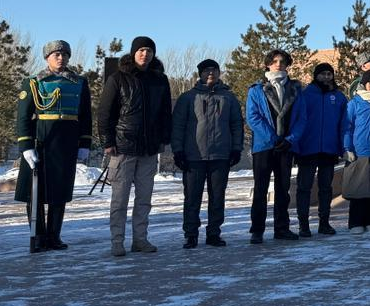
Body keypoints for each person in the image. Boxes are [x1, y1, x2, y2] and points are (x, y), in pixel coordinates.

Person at [15, 40, 92, 253]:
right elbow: (23, 117)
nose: (61, 58)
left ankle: (54, 236)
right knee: (35, 193)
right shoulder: (33, 82)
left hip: (66, 143)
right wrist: (26, 145)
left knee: (60, 192)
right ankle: (38, 236)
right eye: (56, 54)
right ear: (47, 57)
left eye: (65, 54)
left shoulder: (79, 83)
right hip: (41, 142)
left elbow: (86, 116)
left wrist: (84, 143)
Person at [99, 36, 172, 256]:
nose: (145, 54)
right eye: (141, 50)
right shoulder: (118, 78)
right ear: (133, 53)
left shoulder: (160, 80)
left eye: (149, 50)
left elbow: (165, 113)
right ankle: (117, 241)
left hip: (149, 149)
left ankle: (140, 239)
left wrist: (164, 138)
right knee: (119, 200)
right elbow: (105, 113)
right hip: (123, 147)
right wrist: (108, 141)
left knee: (144, 200)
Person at [171, 59, 242, 249]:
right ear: (200, 74)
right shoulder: (187, 98)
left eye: (214, 70)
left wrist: (236, 149)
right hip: (194, 157)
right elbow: (177, 126)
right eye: (206, 71)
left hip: (221, 155)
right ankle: (191, 234)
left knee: (217, 197)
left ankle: (214, 233)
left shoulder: (229, 98)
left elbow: (236, 125)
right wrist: (178, 151)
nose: (211, 73)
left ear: (219, 73)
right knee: (192, 198)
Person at [245, 49, 307, 244]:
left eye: (282, 61)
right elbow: (253, 117)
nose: (278, 64)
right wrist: (273, 138)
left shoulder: (295, 89)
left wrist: (290, 139)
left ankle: (282, 228)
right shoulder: (257, 89)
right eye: (274, 61)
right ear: (268, 64)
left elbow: (302, 118)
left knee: (283, 189)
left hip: (287, 146)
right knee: (260, 188)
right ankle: (257, 230)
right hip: (264, 146)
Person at [294, 63, 346, 237]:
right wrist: (296, 145)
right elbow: (297, 120)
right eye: (322, 74)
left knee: (326, 188)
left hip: (329, 148)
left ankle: (324, 222)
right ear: (315, 76)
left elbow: (343, 124)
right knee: (304, 187)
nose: (326, 77)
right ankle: (303, 224)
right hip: (308, 148)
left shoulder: (338, 97)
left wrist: (342, 146)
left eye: (329, 74)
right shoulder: (305, 95)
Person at [343, 70, 370, 233]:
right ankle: (355, 222)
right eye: (369, 83)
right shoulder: (355, 103)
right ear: (364, 84)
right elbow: (347, 127)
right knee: (358, 189)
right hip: (359, 152)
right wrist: (347, 148)